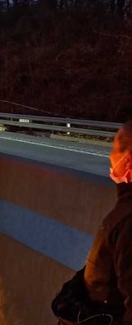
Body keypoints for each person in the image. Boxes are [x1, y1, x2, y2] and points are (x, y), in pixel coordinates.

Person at [54, 120, 132, 324]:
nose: (110, 156)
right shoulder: (125, 207)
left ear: (129, 161)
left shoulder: (128, 219)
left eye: (116, 148)